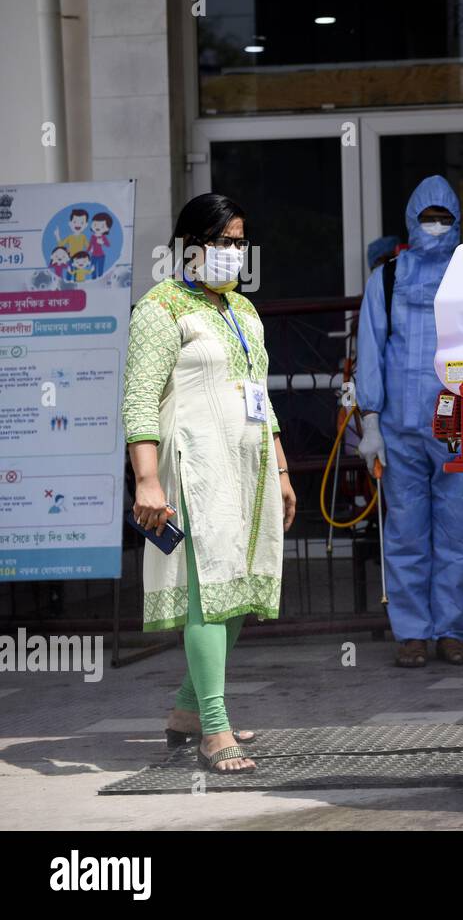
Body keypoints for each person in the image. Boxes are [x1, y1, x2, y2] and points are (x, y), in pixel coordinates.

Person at [122, 192, 296, 774]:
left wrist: (282, 468)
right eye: (222, 241)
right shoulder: (160, 307)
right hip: (193, 468)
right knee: (208, 590)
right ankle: (216, 730)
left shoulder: (243, 312)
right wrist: (147, 481)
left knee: (238, 592)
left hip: (247, 469)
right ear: (189, 245)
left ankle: (187, 712)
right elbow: (140, 401)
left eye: (240, 241)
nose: (233, 252)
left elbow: (261, 397)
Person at [355, 177, 463, 668]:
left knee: (462, 534)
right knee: (405, 533)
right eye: (428, 218)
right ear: (412, 220)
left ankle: (452, 631)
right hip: (401, 428)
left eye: (445, 218)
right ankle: (411, 633)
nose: (436, 227)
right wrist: (370, 421)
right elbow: (369, 350)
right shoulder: (387, 278)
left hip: (462, 427)